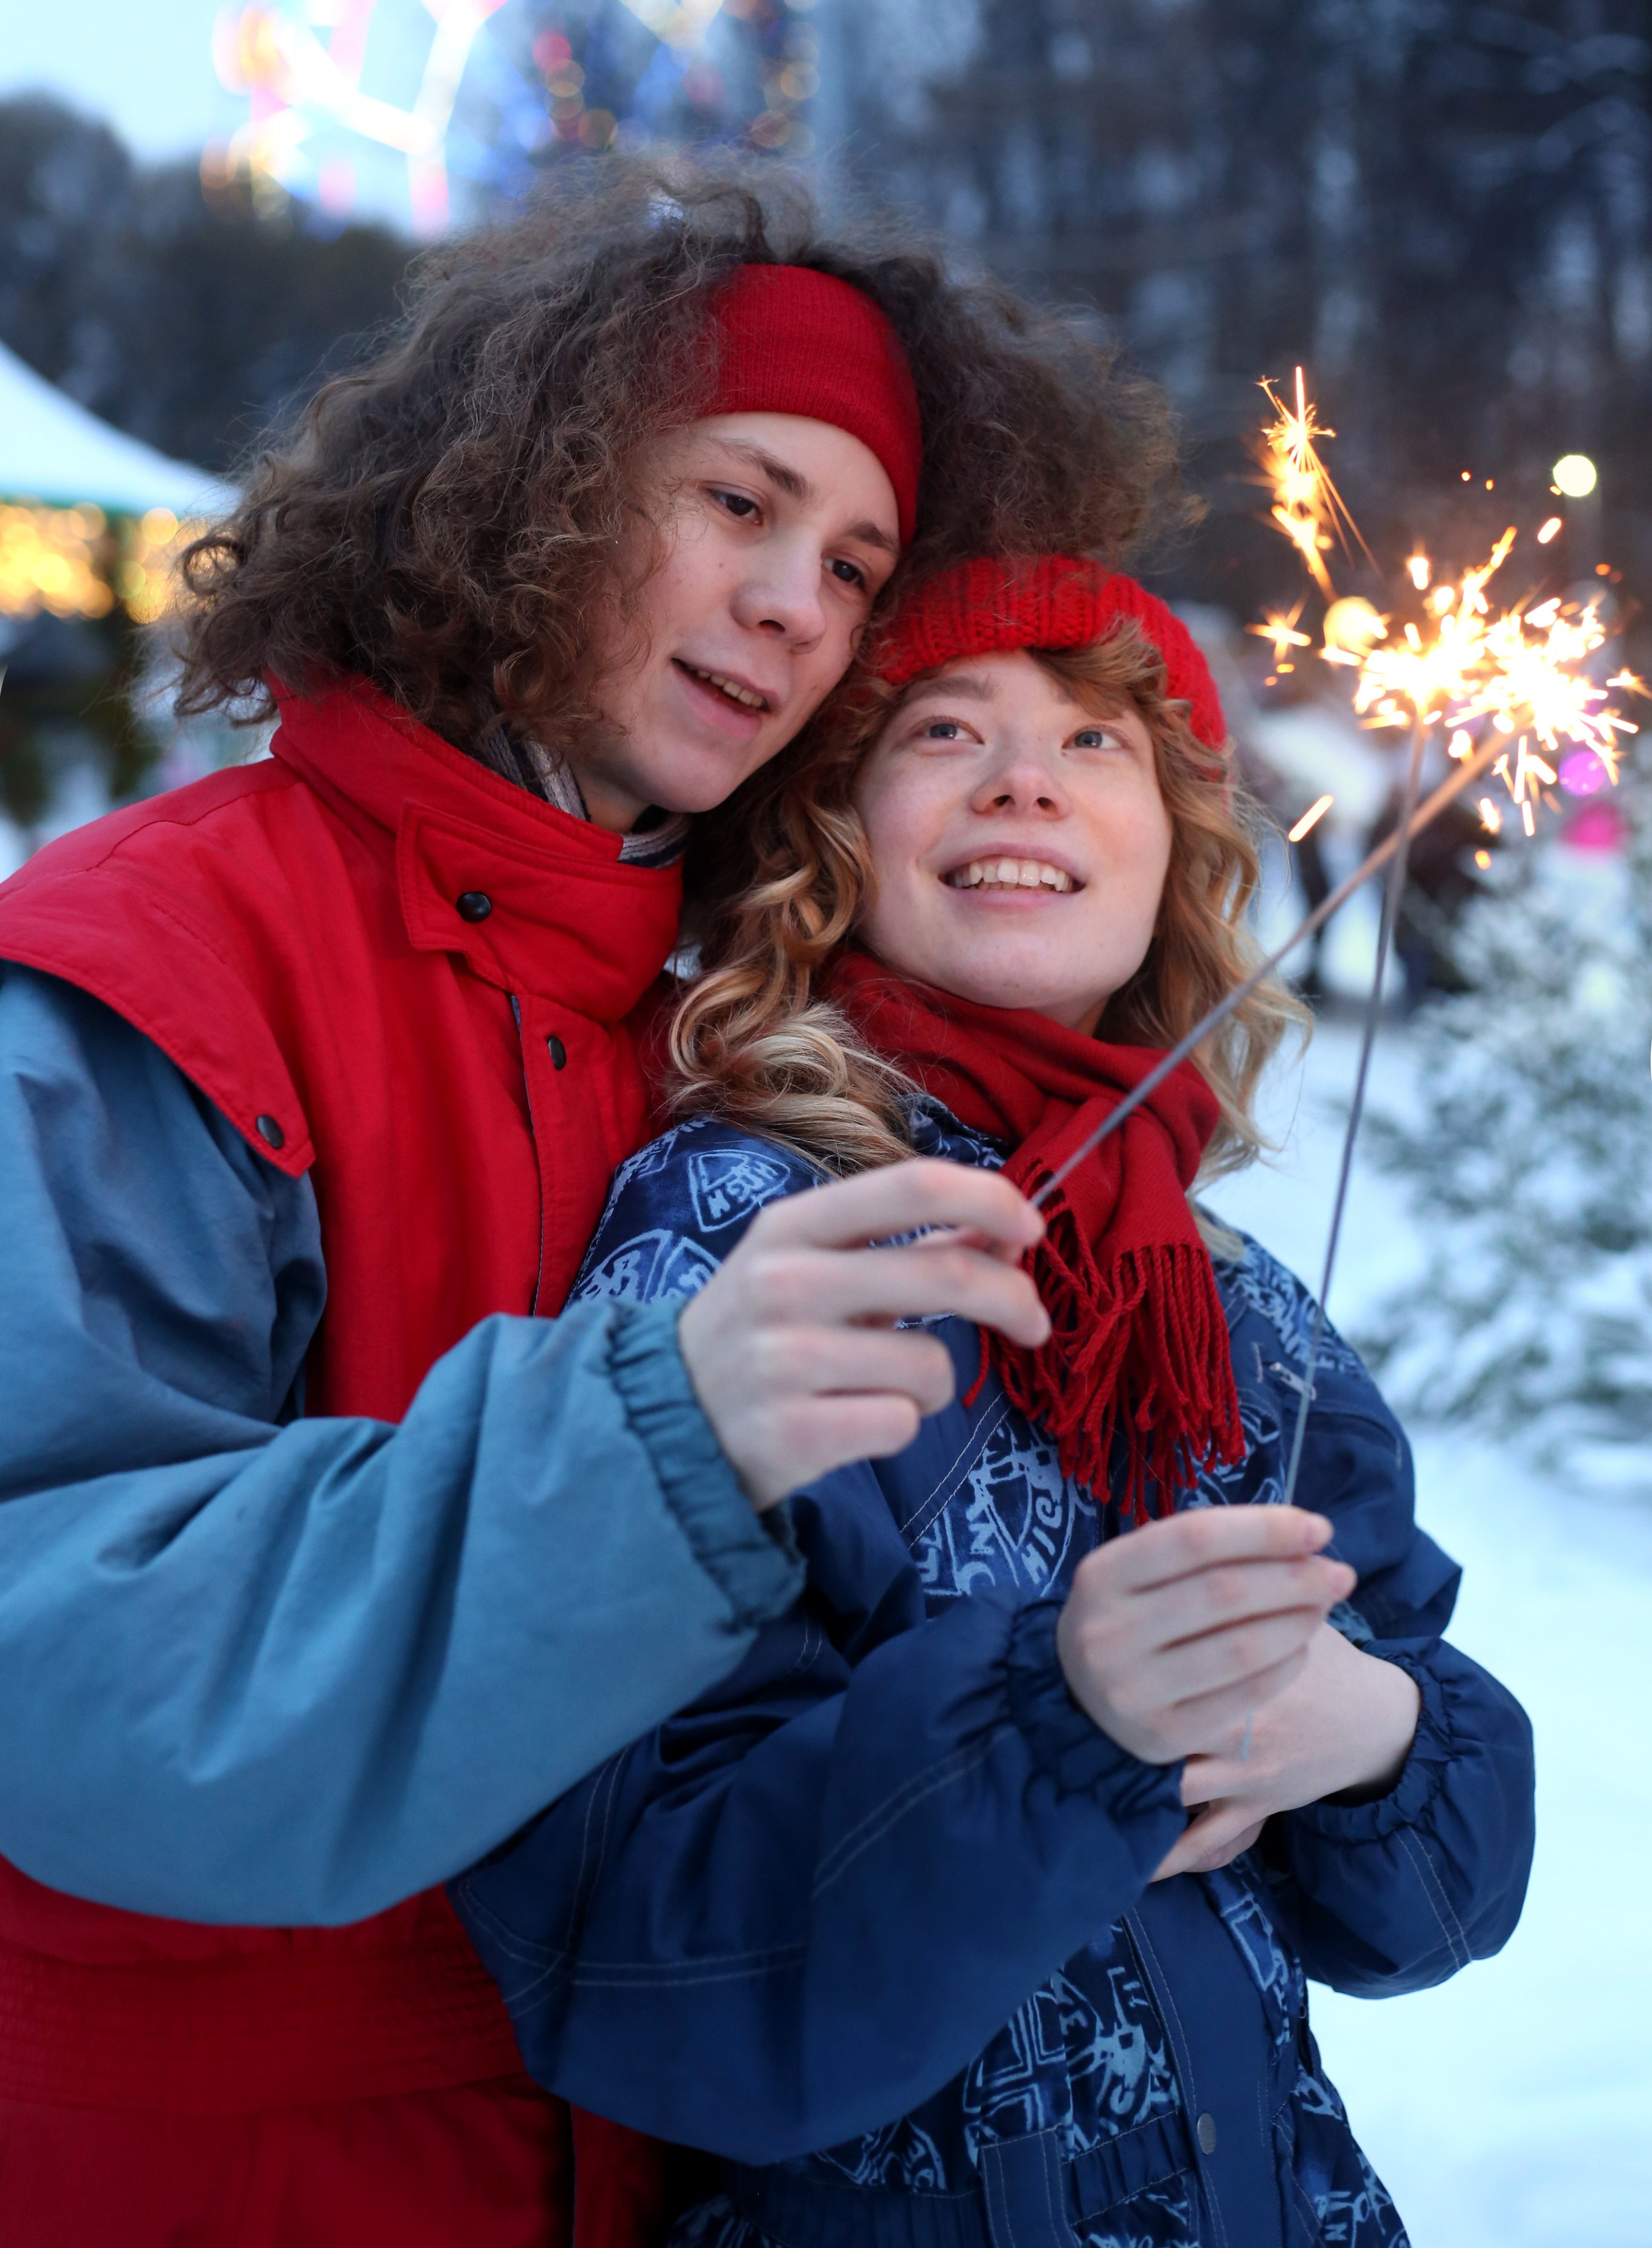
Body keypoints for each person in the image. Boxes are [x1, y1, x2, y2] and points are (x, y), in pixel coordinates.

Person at [0, 176, 1178, 2247]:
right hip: (235, 2173)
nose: (797, 603)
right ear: (531, 491)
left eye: (855, 564)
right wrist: (654, 1448)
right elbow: (54, 1651)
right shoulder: (152, 958)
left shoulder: (756, 1036)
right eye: (739, 502)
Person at [454, 558, 1537, 2248]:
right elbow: (637, 1953)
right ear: (832, 829)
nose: (1025, 779)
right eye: (945, 730)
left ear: (1177, 852)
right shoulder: (747, 1241)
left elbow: (1444, 1900)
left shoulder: (1233, 1304)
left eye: (1096, 741)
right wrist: (1058, 1716)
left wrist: (1373, 1734)